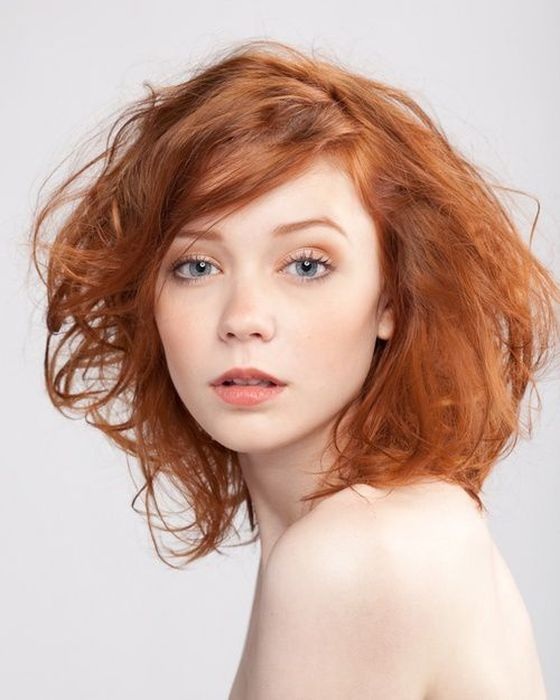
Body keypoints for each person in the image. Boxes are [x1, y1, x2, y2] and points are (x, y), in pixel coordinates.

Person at [29, 39, 557, 698]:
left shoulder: (353, 558)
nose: (243, 318)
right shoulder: (397, 523)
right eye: (197, 265)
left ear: (392, 299)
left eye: (307, 265)